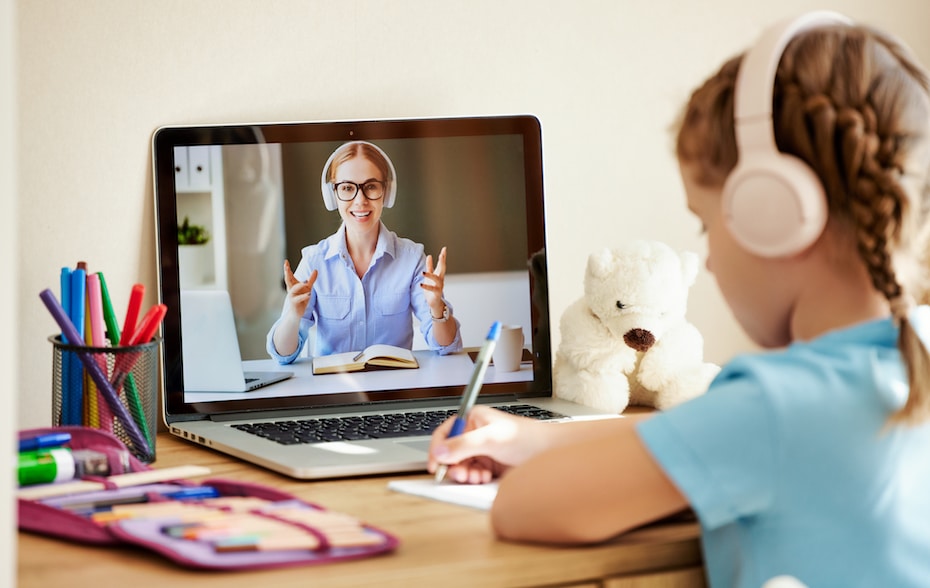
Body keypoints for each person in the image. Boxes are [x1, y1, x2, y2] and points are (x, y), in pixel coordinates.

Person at [428, 14, 930, 587]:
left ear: (775, 214)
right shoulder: (901, 360)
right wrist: (532, 437)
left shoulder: (778, 408)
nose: (709, 261)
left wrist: (533, 461)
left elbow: (525, 508)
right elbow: (707, 429)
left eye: (705, 223)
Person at [266, 140, 462, 363]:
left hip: (394, 389)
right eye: (348, 188)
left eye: (370, 186)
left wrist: (437, 308)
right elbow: (282, 356)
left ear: (386, 192)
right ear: (332, 195)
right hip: (335, 392)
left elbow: (447, 347)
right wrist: (292, 316)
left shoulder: (411, 258)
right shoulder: (314, 261)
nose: (360, 201)